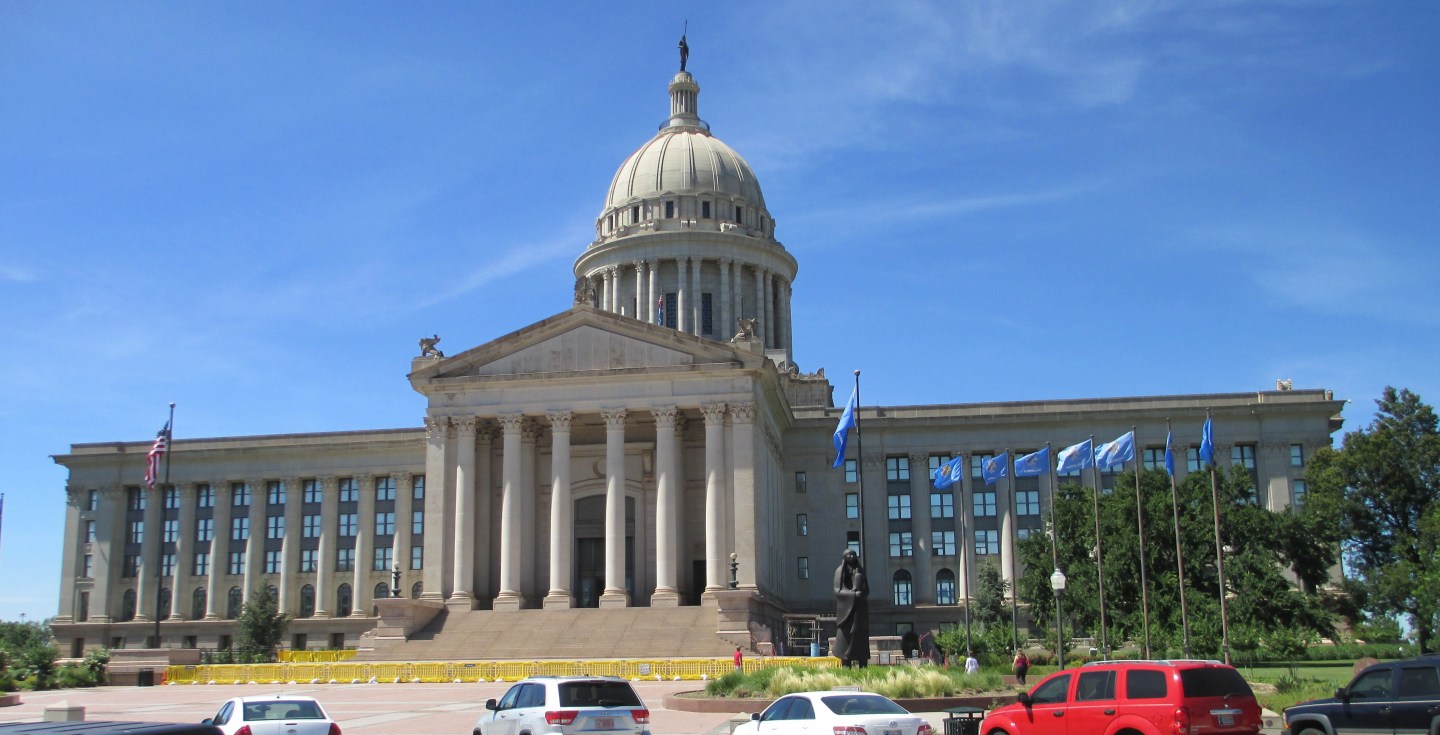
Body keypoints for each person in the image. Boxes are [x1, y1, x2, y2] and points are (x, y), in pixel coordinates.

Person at [833, 548, 870, 667]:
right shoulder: (840, 571)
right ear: (844, 557)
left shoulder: (861, 571)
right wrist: (853, 595)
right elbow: (837, 591)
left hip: (859, 610)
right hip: (846, 612)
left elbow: (867, 590)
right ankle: (845, 664)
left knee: (860, 638)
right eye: (849, 555)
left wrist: (861, 594)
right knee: (845, 639)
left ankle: (863, 665)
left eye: (854, 554)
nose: (852, 557)